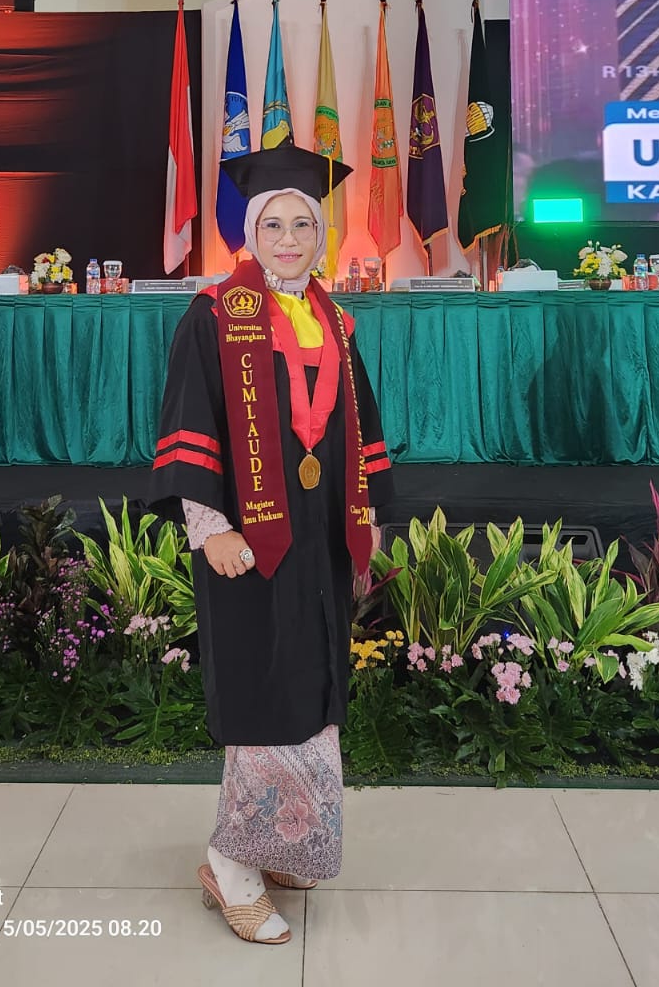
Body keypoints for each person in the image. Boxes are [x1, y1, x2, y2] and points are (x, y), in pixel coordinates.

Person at [147, 145, 394, 945]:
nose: (288, 239)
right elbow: (189, 415)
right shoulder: (214, 313)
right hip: (248, 539)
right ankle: (231, 865)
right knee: (262, 687)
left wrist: (365, 513)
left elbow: (358, 425)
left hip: (319, 537)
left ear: (320, 235)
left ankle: (281, 843)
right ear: (250, 233)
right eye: (273, 225)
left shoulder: (335, 320)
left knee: (311, 685)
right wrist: (209, 525)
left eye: (302, 224)